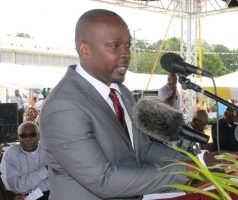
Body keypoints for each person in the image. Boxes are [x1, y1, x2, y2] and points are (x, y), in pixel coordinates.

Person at [40, 9, 191, 200]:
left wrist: (197, 163)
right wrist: (184, 172)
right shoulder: (63, 107)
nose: (126, 54)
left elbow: (142, 150)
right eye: (115, 46)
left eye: (128, 45)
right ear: (85, 50)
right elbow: (104, 180)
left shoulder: (122, 92)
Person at [0, 121, 49, 199]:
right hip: (26, 197)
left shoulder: (49, 150)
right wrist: (46, 170)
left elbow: (58, 180)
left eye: (32, 135)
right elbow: (17, 187)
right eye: (23, 135)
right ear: (18, 137)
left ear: (39, 136)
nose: (28, 139)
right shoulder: (11, 154)